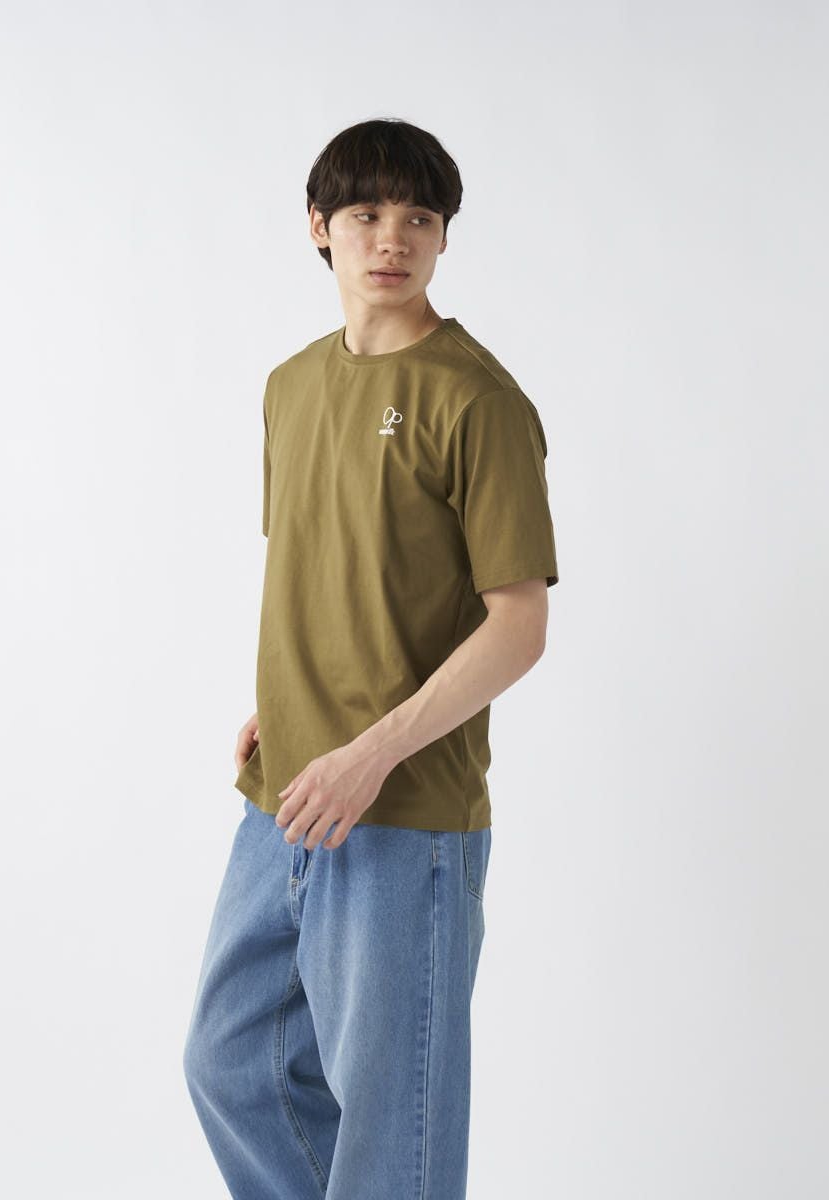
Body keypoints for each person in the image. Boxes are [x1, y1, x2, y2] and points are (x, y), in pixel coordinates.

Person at [182, 116, 560, 1200]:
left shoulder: (478, 400)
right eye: (365, 213)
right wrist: (285, 699)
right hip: (284, 797)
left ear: (443, 236)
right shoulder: (290, 386)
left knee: (396, 1130)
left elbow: (518, 624)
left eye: (418, 217)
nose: (392, 238)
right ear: (319, 226)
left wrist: (370, 752)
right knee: (232, 1065)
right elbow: (333, 561)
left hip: (404, 814)